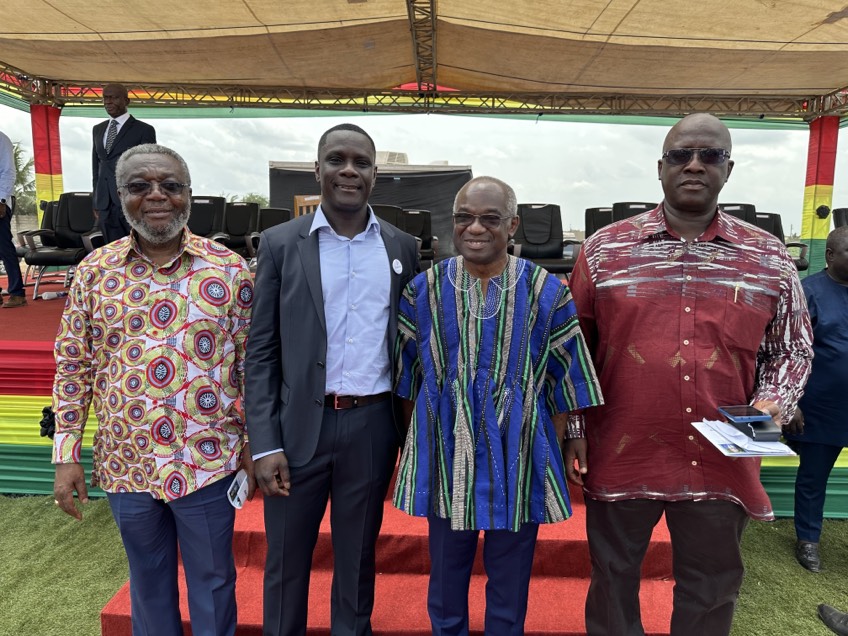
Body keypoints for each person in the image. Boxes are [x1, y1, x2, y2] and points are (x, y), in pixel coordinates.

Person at [565, 113, 814, 636]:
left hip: (728, 449)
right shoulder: (604, 251)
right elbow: (571, 351)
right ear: (661, 167)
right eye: (681, 155)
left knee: (713, 584)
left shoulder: (769, 257)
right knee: (613, 580)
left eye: (709, 155)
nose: (694, 165)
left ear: (729, 168)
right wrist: (576, 430)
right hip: (620, 446)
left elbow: (791, 349)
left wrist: (767, 412)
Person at [52, 143, 254, 636]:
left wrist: (254, 441)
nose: (156, 195)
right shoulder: (94, 273)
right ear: (121, 197)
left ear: (189, 195)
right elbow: (73, 366)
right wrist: (66, 454)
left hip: (207, 460)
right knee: (147, 584)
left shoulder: (230, 270)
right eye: (140, 186)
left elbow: (254, 366)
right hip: (128, 461)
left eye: (170, 185)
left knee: (212, 583)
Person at [393, 176, 603, 635]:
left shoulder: (548, 291)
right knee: (446, 578)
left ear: (513, 226)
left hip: (520, 454)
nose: (475, 228)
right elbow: (407, 380)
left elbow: (566, 378)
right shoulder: (422, 290)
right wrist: (419, 449)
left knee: (510, 580)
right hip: (447, 456)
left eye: (490, 218)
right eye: (464, 217)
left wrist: (571, 437)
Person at [245, 123, 419, 636]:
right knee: (285, 563)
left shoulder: (401, 247)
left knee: (357, 559)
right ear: (317, 168)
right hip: (297, 430)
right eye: (337, 160)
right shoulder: (279, 244)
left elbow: (408, 343)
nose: (349, 170)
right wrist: (263, 442)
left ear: (374, 174)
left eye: (361, 162)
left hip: (371, 428)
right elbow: (261, 352)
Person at [783, 226, 848, 573]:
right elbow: (787, 352)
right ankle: (808, 540)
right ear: (831, 256)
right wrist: (793, 401)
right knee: (814, 476)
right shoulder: (808, 293)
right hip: (820, 406)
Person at [92, 83, 157, 243]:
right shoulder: (98, 129)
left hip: (132, 200)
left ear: (126, 101)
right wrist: (96, 199)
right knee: (112, 252)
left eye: (113, 97)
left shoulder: (144, 130)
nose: (108, 102)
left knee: (137, 247)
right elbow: (96, 166)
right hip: (104, 203)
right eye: (105, 98)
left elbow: (148, 168)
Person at [0, 129, 26, 308]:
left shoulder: (2, 140)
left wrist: (1, 199)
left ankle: (17, 293)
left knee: (4, 247)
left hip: (0, 201)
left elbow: (8, 172)